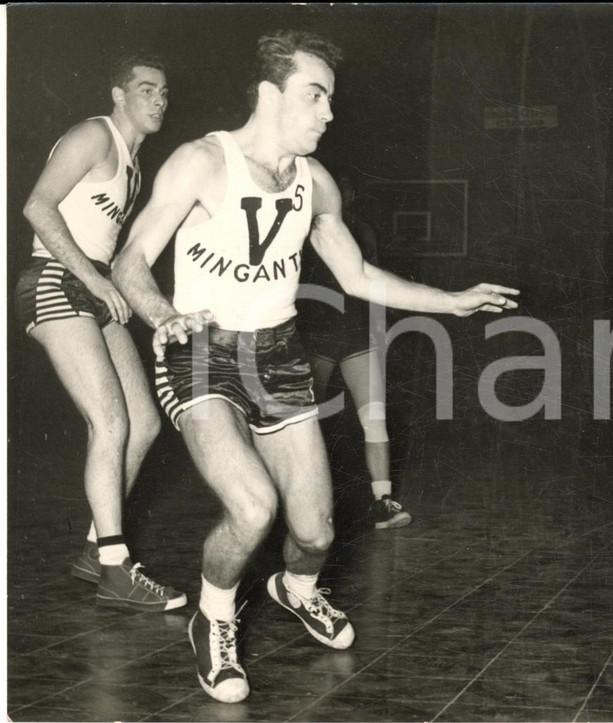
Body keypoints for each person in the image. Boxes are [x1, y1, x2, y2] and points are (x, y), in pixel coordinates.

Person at [111, 30, 519, 704]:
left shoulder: (314, 182)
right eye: (315, 95)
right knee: (252, 506)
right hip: (203, 353)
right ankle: (214, 618)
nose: (329, 112)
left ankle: (296, 587)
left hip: (278, 355)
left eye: (330, 97)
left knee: (316, 531)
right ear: (270, 93)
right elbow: (129, 259)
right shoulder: (202, 162)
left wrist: (452, 299)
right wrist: (162, 316)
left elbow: (356, 275)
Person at [14, 53, 185, 613]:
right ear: (118, 95)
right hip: (54, 279)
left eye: (164, 92)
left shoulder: (135, 163)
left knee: (142, 424)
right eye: (146, 89)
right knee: (108, 420)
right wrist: (94, 278)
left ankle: (95, 547)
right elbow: (37, 207)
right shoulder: (94, 134)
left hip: (93, 287)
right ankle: (116, 566)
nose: (159, 99)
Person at [298, 172, 412, 530]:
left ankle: (383, 503)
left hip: (357, 338)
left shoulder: (361, 232)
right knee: (301, 426)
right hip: (312, 338)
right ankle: (300, 505)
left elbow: (373, 284)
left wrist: (380, 330)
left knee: (374, 420)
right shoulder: (296, 230)